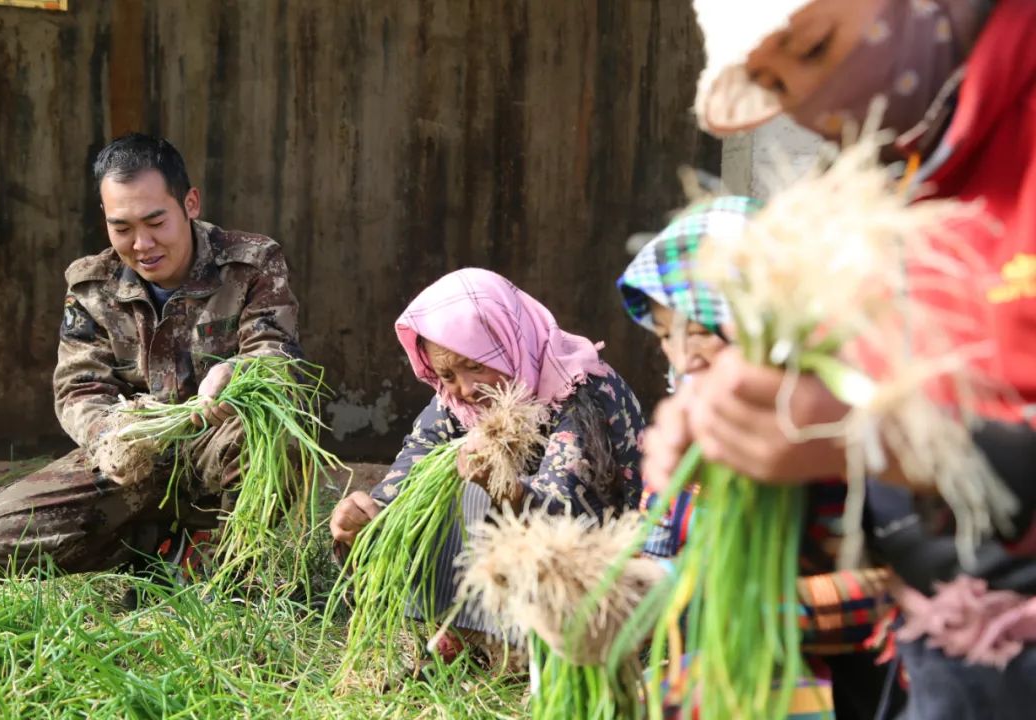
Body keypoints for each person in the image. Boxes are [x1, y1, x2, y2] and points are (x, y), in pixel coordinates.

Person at [645, 0, 1036, 716]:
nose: (816, 99)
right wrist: (740, 453)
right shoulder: (894, 189)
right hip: (944, 673)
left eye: (816, 44)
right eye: (776, 84)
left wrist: (881, 440)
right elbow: (877, 516)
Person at [0, 133, 303, 575]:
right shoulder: (91, 285)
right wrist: (114, 436)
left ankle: (234, 564)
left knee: (271, 430)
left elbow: (277, 354)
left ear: (190, 203)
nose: (142, 244)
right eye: (122, 228)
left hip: (216, 449)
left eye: (156, 222)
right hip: (129, 458)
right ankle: (154, 548)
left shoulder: (251, 263)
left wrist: (237, 371)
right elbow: (79, 387)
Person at [618, 197, 900, 719]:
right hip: (720, 682)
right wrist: (625, 591)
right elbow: (656, 544)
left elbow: (900, 594)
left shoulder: (839, 429)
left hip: (847, 693)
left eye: (701, 329)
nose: (684, 358)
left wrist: (743, 607)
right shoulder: (686, 429)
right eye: (664, 337)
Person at [329, 268, 645, 651]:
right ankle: (456, 627)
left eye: (476, 365)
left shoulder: (581, 393)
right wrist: (370, 511)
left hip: (590, 575)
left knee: (477, 492)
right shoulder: (455, 403)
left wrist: (506, 490)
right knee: (437, 481)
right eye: (446, 375)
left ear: (510, 340)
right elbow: (410, 472)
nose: (464, 389)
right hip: (503, 575)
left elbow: (570, 514)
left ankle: (507, 641)